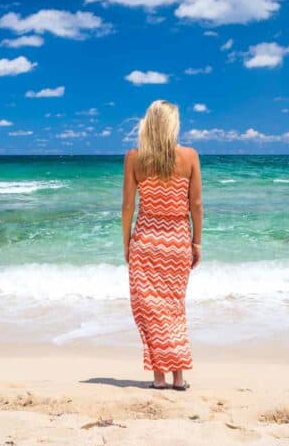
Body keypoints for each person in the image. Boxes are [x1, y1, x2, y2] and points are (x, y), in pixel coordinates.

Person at [122, 100, 203, 391]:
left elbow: (127, 207)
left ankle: (159, 377)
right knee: (174, 309)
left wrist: (126, 244)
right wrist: (196, 243)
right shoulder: (190, 156)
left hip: (146, 242)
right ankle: (178, 377)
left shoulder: (134, 158)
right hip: (177, 241)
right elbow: (195, 204)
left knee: (151, 311)